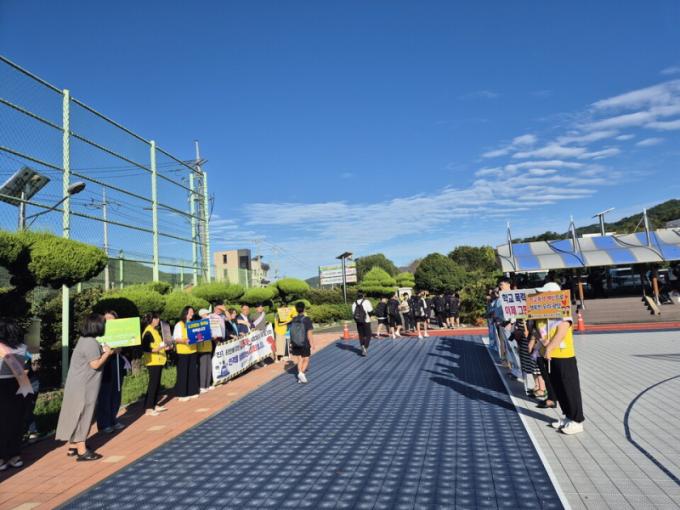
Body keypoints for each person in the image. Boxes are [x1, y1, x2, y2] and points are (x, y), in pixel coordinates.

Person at [56, 314, 113, 461]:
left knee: (76, 414)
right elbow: (95, 364)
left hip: (78, 384)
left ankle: (73, 446)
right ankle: (82, 450)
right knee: (84, 414)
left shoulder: (84, 340)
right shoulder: (90, 343)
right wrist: (107, 353)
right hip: (84, 386)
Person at [536, 282, 585, 435]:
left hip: (564, 355)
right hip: (547, 355)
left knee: (569, 387)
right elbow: (537, 329)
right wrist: (544, 343)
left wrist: (550, 347)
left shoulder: (563, 310)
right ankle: (568, 416)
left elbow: (562, 332)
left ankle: (577, 421)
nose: (541, 296)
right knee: (558, 387)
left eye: (545, 293)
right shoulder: (540, 310)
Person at [0, 319, 31, 470]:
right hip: (19, 384)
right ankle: (14, 456)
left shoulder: (1, 347)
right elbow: (24, 370)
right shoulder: (23, 347)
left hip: (2, 385)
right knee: (16, 421)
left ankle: (1, 458)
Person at [96, 311, 127, 434]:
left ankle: (113, 419)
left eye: (112, 320)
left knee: (116, 391)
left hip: (116, 362)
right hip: (105, 364)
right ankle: (104, 423)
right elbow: (100, 350)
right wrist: (112, 351)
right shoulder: (99, 333)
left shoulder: (118, 333)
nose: (109, 322)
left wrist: (119, 349)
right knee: (105, 393)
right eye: (107, 319)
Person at [141, 312, 168, 416]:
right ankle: (148, 408)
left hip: (159, 360)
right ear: (151, 320)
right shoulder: (148, 332)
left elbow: (157, 345)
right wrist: (160, 348)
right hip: (153, 361)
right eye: (156, 318)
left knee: (156, 384)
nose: (158, 320)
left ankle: (154, 404)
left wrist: (165, 347)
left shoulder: (154, 330)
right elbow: (146, 348)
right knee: (153, 384)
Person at [173, 306, 199, 402]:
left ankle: (192, 391)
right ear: (185, 313)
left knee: (192, 372)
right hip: (183, 352)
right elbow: (176, 338)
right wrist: (184, 341)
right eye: (190, 312)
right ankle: (182, 394)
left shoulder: (193, 324)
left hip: (192, 350)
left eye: (193, 312)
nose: (192, 313)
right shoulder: (179, 324)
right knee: (183, 373)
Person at [289, 302, 315, 384]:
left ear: (296, 309)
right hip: (304, 342)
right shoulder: (307, 319)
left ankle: (300, 377)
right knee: (306, 359)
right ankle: (301, 374)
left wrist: (291, 342)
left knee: (299, 359)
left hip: (295, 342)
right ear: (304, 309)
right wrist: (312, 344)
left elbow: (291, 332)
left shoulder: (293, 319)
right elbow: (309, 333)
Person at [197, 308, 214, 393]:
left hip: (208, 347)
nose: (208, 316)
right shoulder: (199, 324)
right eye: (207, 314)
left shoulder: (209, 323)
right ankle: (202, 386)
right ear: (202, 315)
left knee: (208, 366)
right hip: (202, 348)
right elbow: (198, 336)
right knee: (203, 367)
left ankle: (207, 384)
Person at [352, 292, 373, 356]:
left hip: (358, 321)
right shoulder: (366, 301)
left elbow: (353, 313)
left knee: (361, 335)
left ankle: (362, 345)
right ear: (363, 296)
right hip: (366, 320)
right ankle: (365, 347)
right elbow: (370, 311)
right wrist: (370, 316)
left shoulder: (354, 303)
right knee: (368, 335)